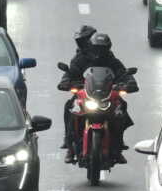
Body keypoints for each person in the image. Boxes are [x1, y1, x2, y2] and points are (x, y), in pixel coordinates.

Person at [56, 31, 135, 164]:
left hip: (106, 95)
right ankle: (70, 145)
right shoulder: (81, 58)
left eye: (103, 49)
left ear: (108, 48)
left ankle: (118, 146)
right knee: (69, 107)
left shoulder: (111, 59)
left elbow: (122, 72)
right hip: (86, 94)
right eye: (97, 48)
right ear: (91, 46)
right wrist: (66, 81)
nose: (99, 52)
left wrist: (130, 83)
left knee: (121, 106)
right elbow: (71, 72)